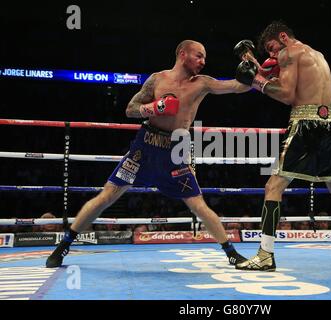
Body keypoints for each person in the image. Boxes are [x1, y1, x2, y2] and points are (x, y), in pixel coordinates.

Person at [46, 40, 250, 268]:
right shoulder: (157, 79)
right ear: (183, 54)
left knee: (198, 205)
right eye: (199, 56)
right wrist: (154, 108)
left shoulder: (202, 83)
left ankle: (231, 253)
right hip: (145, 148)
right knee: (106, 196)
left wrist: (254, 69)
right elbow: (130, 109)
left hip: (175, 152)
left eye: (204, 57)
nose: (203, 62)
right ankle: (63, 246)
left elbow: (237, 86)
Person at [233, 21, 331, 271]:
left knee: (273, 186)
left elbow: (286, 95)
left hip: (304, 125)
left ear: (283, 37)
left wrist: (256, 82)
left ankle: (265, 255)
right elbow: (295, 90)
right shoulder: (316, 55)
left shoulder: (288, 53)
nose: (273, 54)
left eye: (272, 47)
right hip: (327, 123)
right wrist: (256, 67)